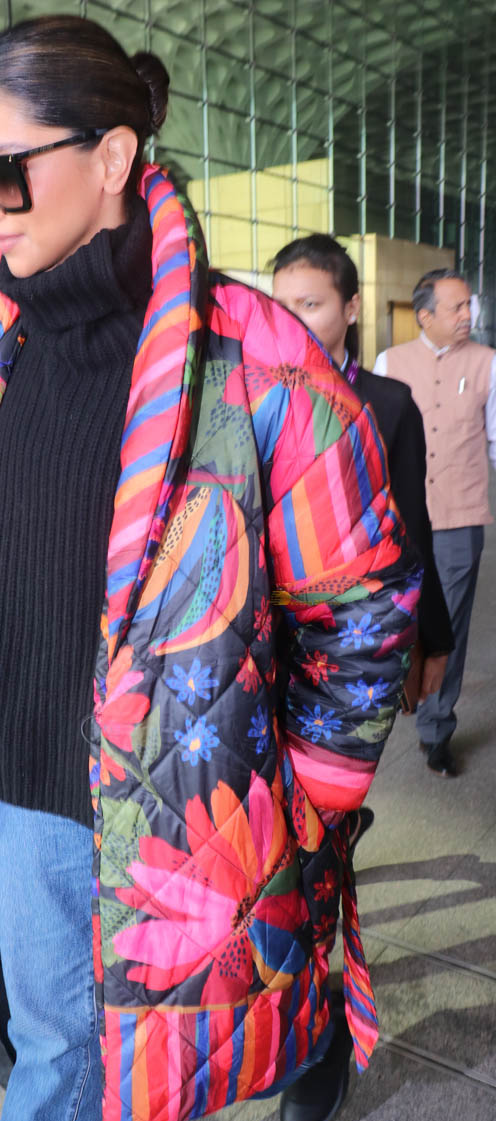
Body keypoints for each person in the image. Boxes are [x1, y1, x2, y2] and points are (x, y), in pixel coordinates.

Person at [0, 17, 417, 1121]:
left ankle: (308, 1030)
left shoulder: (255, 354)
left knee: (216, 1004)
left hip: (194, 798)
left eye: (2, 172)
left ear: (112, 156)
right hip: (28, 783)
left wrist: (302, 801)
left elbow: (363, 605)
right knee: (54, 1043)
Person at [271, 236, 454, 787]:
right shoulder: (255, 395)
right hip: (269, 619)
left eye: (310, 304)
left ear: (351, 308)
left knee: (335, 774)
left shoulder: (388, 403)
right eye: (280, 306)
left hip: (355, 629)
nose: (292, 320)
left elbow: (412, 526)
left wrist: (434, 636)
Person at [373, 269, 496, 777]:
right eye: (456, 307)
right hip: (400, 518)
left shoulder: (488, 363)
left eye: (469, 306)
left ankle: (437, 728)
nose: (468, 315)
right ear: (424, 315)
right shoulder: (390, 362)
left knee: (452, 626)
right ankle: (387, 705)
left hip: (461, 515)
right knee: (395, 616)